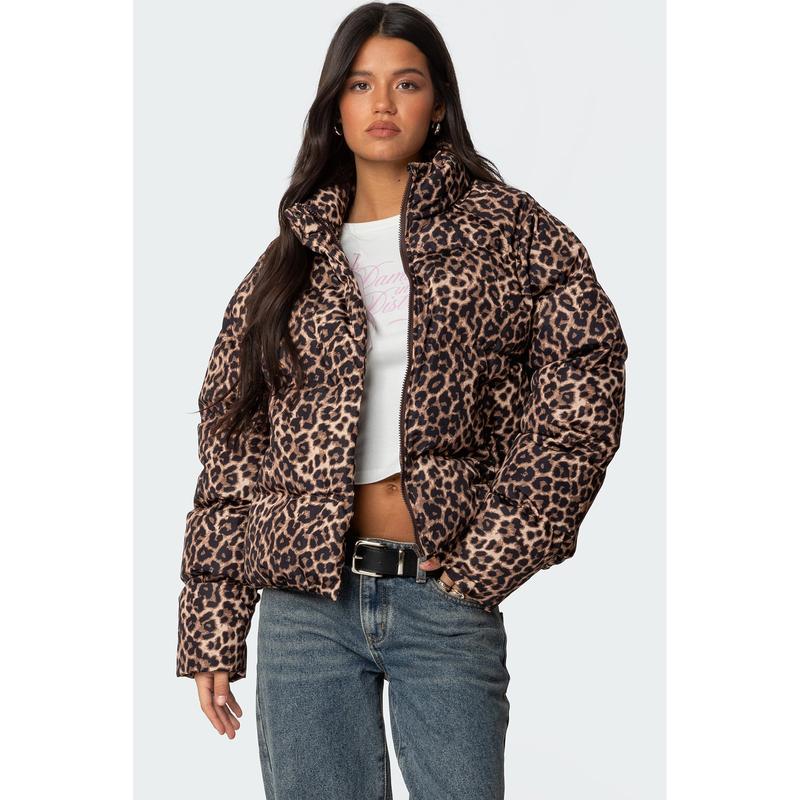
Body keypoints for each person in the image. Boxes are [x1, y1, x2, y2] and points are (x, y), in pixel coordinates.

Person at [176, 3, 628, 798]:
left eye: (406, 83)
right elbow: (233, 449)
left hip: (444, 596)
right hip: (304, 610)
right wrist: (213, 624)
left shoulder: (511, 232)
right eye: (360, 85)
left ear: (439, 103)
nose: (382, 103)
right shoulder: (289, 263)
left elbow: (584, 384)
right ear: (335, 109)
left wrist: (498, 549)